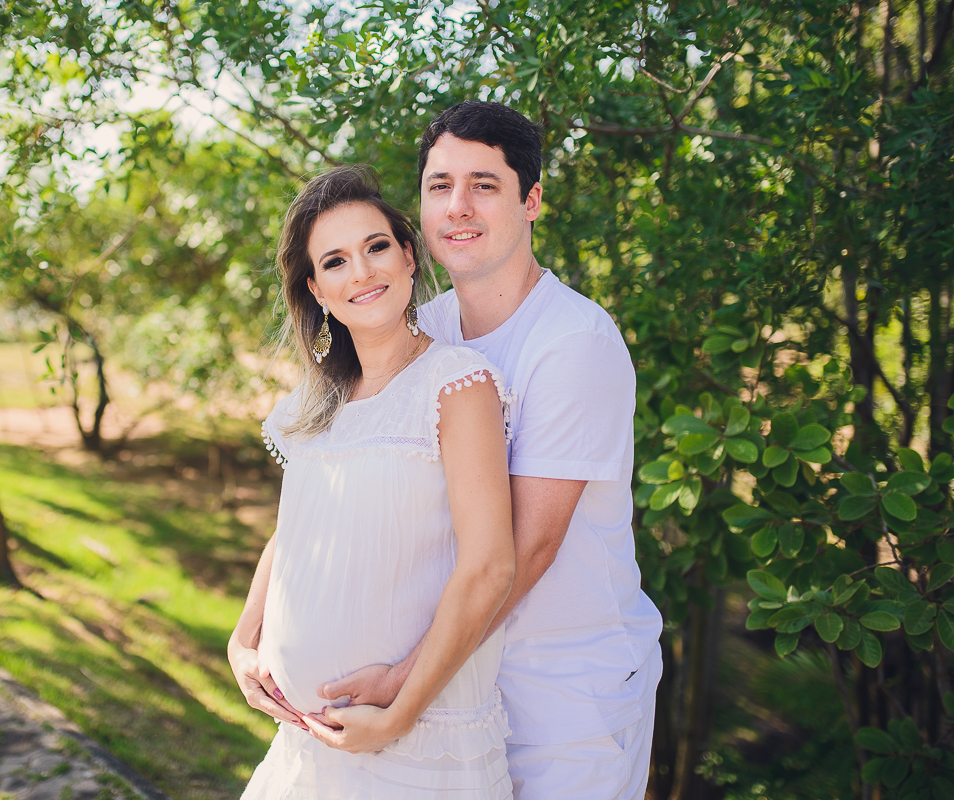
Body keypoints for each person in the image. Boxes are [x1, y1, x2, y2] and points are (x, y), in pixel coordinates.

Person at [317, 101, 665, 800]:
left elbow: (525, 550)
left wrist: (407, 680)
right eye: (440, 185)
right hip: (464, 678)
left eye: (484, 184)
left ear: (531, 200)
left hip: (567, 696)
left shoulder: (574, 344)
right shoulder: (424, 332)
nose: (458, 206)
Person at [228, 165, 518, 798]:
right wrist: (243, 639)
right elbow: (293, 535)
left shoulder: (456, 384)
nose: (361, 272)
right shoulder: (315, 402)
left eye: (376, 246)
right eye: (335, 261)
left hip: (414, 745)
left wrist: (400, 712)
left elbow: (490, 567)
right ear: (317, 290)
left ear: (409, 257)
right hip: (306, 750)